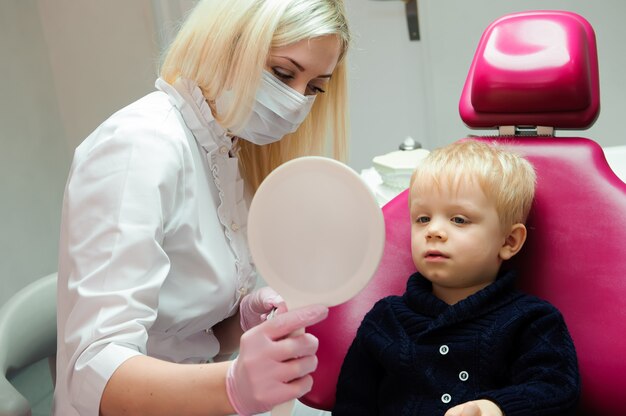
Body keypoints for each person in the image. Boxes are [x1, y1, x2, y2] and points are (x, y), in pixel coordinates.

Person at [53, 0, 351, 415]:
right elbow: (91, 373)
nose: (297, 101)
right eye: (283, 74)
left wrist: (238, 323)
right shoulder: (138, 146)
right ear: (224, 45)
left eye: (315, 87)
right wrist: (232, 384)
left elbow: (183, 332)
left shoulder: (227, 149)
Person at [333, 140, 580, 416]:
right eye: (423, 219)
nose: (433, 231)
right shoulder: (384, 321)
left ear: (509, 241)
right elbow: (351, 406)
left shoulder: (532, 321)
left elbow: (556, 389)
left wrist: (496, 407)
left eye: (459, 220)